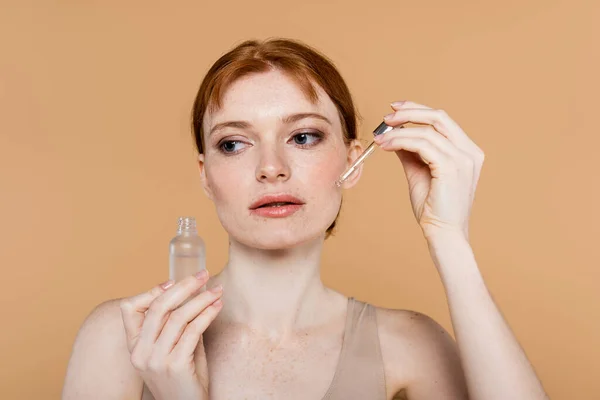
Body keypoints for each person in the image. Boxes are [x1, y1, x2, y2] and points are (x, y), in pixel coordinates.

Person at [62, 38, 549, 400]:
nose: (271, 167)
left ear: (352, 161)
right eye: (234, 144)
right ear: (206, 175)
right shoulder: (124, 338)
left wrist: (449, 238)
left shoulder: (410, 345)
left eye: (304, 137)